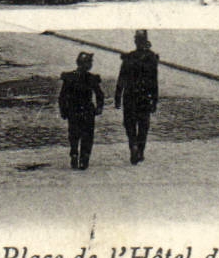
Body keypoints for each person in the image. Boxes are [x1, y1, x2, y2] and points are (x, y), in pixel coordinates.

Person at [114, 30, 160, 165]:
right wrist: (155, 100)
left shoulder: (129, 57)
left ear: (135, 42)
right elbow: (154, 81)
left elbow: (121, 79)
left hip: (130, 96)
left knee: (130, 124)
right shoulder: (151, 58)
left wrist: (118, 97)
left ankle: (133, 146)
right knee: (143, 125)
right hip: (145, 95)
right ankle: (140, 151)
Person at [59, 51, 105, 169]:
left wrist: (63, 110)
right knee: (86, 135)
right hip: (86, 110)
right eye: (89, 62)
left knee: (74, 134)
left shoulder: (70, 77)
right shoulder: (91, 78)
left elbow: (62, 96)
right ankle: (82, 158)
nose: (89, 65)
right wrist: (99, 107)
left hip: (74, 110)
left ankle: (75, 154)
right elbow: (100, 94)